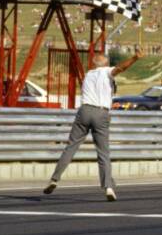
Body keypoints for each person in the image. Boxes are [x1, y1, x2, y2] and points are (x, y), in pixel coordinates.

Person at [44, 47, 143, 201]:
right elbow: (121, 68)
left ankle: (54, 179)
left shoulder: (88, 75)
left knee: (71, 147)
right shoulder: (107, 72)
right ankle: (108, 187)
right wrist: (135, 58)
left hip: (83, 111)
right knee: (103, 153)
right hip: (101, 113)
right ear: (105, 64)